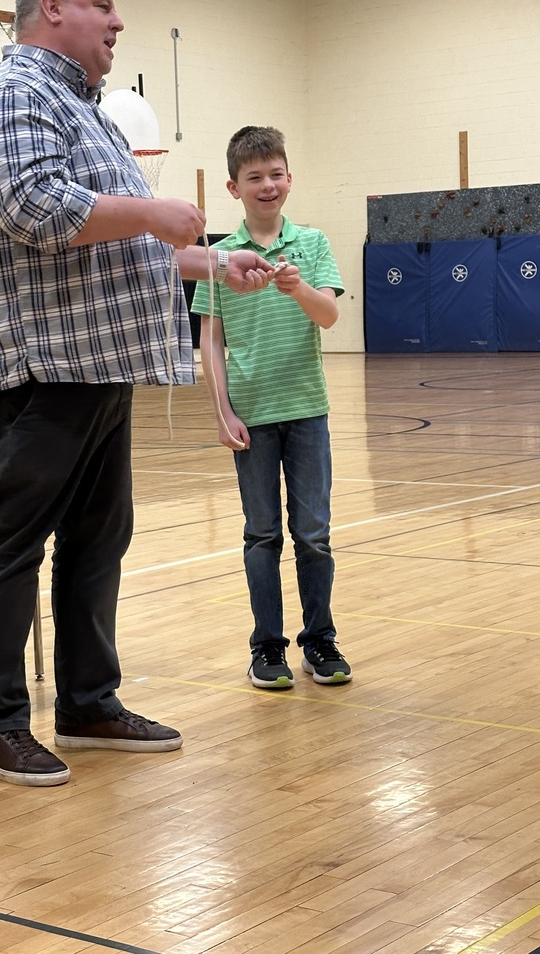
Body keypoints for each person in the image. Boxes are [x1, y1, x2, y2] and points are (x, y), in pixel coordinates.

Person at [0, 0, 274, 787]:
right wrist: (155, 213)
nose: (119, 22)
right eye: (103, 6)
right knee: (12, 544)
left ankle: (88, 702)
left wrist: (205, 263)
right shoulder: (15, 92)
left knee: (97, 540)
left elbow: (118, 247)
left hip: (93, 362)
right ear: (51, 10)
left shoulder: (83, 113)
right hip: (35, 363)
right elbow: (36, 208)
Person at [191, 126, 353, 691]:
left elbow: (329, 316)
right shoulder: (216, 258)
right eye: (254, 177)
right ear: (234, 187)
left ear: (290, 179)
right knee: (262, 534)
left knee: (314, 532)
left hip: (308, 409)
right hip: (251, 414)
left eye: (276, 174)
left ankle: (320, 640)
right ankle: (267, 647)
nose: (267, 185)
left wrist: (298, 289)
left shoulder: (311, 244)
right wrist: (221, 412)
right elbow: (210, 340)